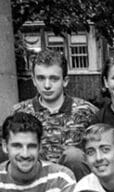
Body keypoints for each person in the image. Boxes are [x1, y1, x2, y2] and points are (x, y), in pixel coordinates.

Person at [12, 50, 96, 180]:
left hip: (75, 183)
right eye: (41, 78)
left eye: (54, 78)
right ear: (33, 80)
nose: (47, 85)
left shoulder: (85, 110)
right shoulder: (20, 112)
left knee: (74, 156)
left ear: (65, 81)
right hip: (36, 183)